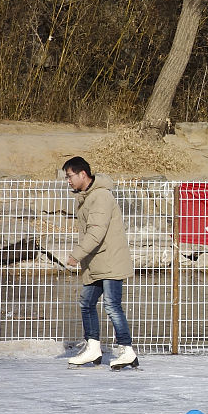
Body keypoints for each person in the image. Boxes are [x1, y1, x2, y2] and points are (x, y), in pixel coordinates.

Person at [63, 157, 138, 370]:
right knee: (87, 303)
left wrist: (76, 255)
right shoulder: (87, 196)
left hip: (110, 260)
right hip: (97, 261)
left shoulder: (100, 196)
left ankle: (127, 351)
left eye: (70, 176)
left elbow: (96, 232)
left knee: (112, 306)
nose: (68, 181)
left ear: (82, 174)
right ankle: (93, 348)